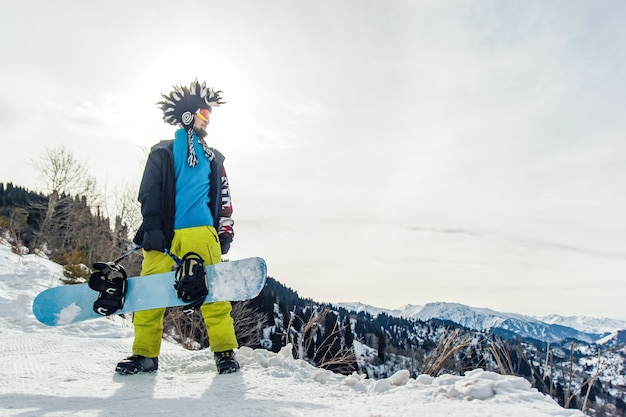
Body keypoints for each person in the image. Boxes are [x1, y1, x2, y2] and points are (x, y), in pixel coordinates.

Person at [115, 80, 239, 375]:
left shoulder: (214, 158)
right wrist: (153, 227)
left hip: (202, 233)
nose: (207, 122)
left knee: (213, 296)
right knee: (149, 295)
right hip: (164, 235)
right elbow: (149, 192)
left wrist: (225, 231)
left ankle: (224, 353)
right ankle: (145, 355)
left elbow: (224, 198)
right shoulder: (162, 152)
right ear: (187, 115)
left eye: (209, 117)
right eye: (203, 115)